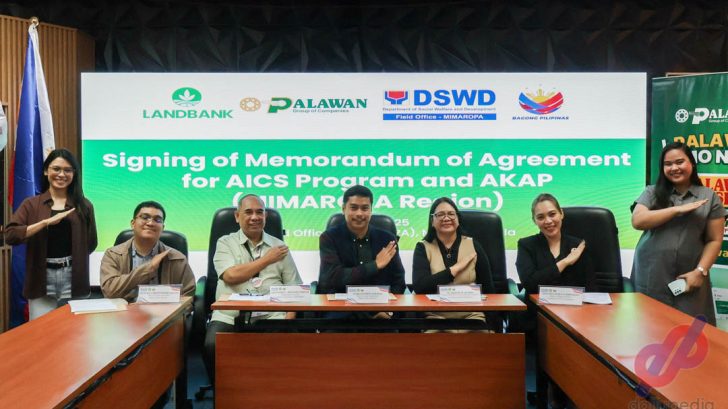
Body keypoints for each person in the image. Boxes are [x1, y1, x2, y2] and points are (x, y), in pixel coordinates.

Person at [203, 194, 302, 385]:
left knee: (294, 346)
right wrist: (267, 259)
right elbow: (231, 276)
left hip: (272, 316)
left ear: (265, 216)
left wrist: (288, 320)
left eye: (260, 212)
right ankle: (224, 394)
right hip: (230, 316)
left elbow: (294, 287)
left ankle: (272, 394)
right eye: (248, 212)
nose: (255, 217)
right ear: (237, 216)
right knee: (212, 346)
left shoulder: (279, 247)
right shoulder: (225, 243)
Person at [631, 142, 726, 325]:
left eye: (680, 162)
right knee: (649, 326)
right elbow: (638, 221)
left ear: (692, 163)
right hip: (652, 272)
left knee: (690, 330)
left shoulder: (709, 196)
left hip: (689, 275)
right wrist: (676, 210)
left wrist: (700, 271)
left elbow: (714, 240)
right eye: (668, 164)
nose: (674, 168)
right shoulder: (652, 192)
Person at [516, 193, 595, 409]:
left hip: (576, 317)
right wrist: (565, 262)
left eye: (552, 214)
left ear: (561, 214)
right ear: (534, 220)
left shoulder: (578, 245)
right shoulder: (527, 245)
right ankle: (549, 396)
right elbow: (530, 282)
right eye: (541, 217)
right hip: (540, 317)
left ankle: (569, 395)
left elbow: (589, 285)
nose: (548, 221)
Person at [6, 148, 97, 320]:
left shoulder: (84, 205)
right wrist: (44, 223)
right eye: (56, 169)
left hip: (74, 277)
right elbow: (11, 235)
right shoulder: (31, 204)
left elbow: (91, 243)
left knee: (74, 331)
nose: (61, 174)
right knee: (41, 332)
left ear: (74, 174)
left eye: (68, 170)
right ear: (46, 171)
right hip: (41, 277)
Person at [411, 197, 495, 331]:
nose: (446, 218)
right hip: (435, 316)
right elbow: (420, 286)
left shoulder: (473, 245)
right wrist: (453, 270)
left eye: (451, 214)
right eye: (440, 215)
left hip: (472, 315)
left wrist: (492, 326)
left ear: (458, 219)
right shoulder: (423, 247)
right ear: (432, 221)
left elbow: (489, 288)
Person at [318, 185, 406, 297]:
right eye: (354, 208)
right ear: (344, 209)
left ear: (371, 210)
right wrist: (375, 265)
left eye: (365, 208)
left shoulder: (387, 239)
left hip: (380, 303)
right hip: (341, 303)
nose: (359, 213)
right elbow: (332, 278)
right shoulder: (329, 238)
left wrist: (389, 305)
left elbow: (399, 280)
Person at [99, 201, 195, 301]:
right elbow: (110, 292)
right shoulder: (113, 255)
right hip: (125, 310)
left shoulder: (177, 259)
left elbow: (188, 297)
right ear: (133, 223)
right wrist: (149, 268)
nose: (150, 223)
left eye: (157, 220)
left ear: (162, 227)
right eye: (145, 217)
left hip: (165, 310)